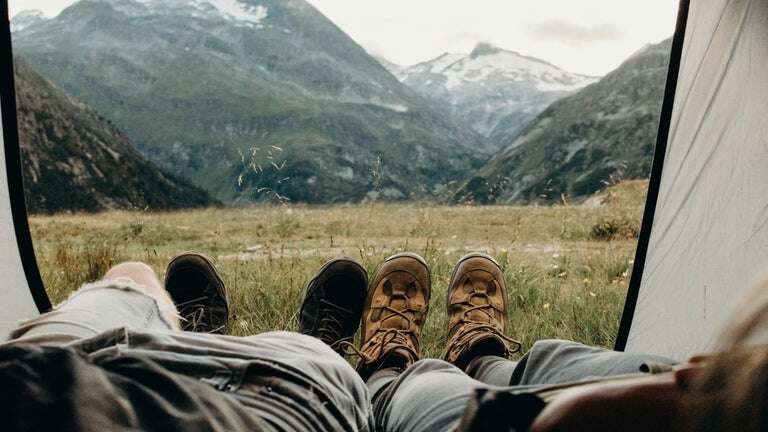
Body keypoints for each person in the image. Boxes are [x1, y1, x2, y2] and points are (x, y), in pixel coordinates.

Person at [0, 252, 765, 431]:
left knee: (133, 274)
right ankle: (480, 351)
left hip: (34, 378)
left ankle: (386, 362)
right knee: (554, 364)